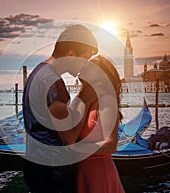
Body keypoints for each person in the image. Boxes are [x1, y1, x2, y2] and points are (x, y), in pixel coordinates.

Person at [22, 24, 98, 193]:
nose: (84, 66)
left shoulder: (38, 73)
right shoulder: (53, 82)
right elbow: (68, 137)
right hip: (53, 171)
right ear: (71, 54)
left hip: (36, 165)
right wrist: (85, 97)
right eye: (84, 59)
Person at [74, 55, 125, 193]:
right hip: (83, 172)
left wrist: (76, 149)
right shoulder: (86, 99)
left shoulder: (107, 101)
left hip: (99, 174)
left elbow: (111, 145)